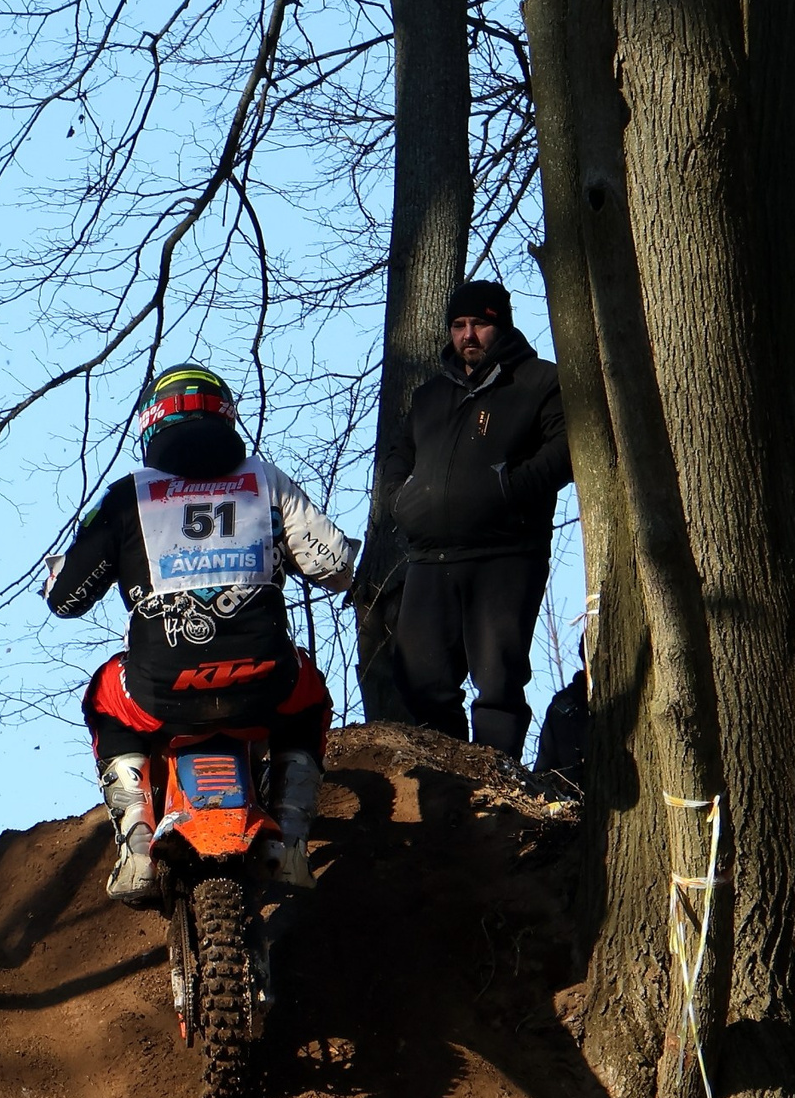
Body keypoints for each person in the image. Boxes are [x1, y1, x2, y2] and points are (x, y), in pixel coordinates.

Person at [43, 365, 357, 904]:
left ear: (151, 424)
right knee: (310, 697)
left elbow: (66, 601)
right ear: (228, 417)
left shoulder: (127, 496)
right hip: (264, 685)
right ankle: (293, 838)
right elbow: (337, 564)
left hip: (160, 691)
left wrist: (71, 571)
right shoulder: (265, 480)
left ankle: (138, 840)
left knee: (103, 696)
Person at [376, 280, 570, 759]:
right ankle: (451, 775)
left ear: (500, 325)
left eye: (479, 324)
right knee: (419, 677)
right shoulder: (429, 397)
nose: (468, 335)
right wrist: (402, 500)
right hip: (430, 556)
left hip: (506, 553)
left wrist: (508, 488)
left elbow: (566, 451)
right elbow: (397, 457)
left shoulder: (539, 382)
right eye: (459, 325)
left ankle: (498, 782)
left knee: (498, 680)